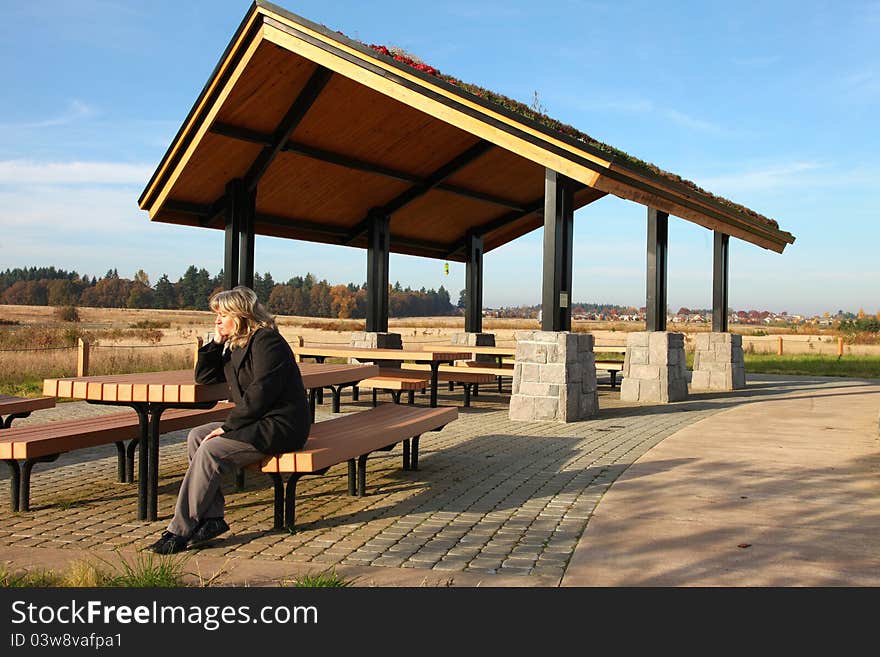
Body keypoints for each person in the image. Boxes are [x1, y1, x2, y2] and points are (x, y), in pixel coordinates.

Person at [148, 286, 311, 554]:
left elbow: (262, 393)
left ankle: (179, 530)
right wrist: (215, 343)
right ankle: (212, 519)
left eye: (223, 314)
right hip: (256, 422)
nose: (217, 320)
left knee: (212, 448)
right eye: (217, 315)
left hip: (281, 425)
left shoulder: (267, 341)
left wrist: (227, 426)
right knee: (197, 436)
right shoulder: (236, 345)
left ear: (241, 314)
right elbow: (205, 377)